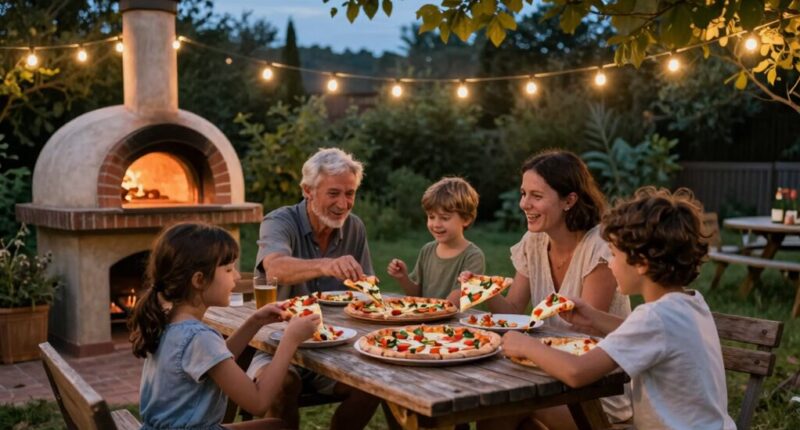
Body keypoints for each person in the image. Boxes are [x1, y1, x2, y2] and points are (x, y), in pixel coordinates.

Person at [502, 187, 736, 429]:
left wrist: (526, 345)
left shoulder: (654, 317)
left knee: (516, 408)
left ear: (641, 264)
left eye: (613, 254)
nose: (610, 264)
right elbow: (653, 337)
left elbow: (577, 372)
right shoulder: (689, 303)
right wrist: (594, 318)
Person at [474, 149, 632, 428]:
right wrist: (485, 290)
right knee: (492, 401)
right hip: (544, 373)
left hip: (597, 389)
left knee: (503, 406)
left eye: (536, 196)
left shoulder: (599, 247)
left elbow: (583, 335)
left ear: (569, 200)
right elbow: (514, 310)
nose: (524, 204)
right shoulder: (534, 241)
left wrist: (528, 349)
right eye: (523, 193)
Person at [129, 222, 320, 430]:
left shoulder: (168, 321)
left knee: (276, 426)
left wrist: (254, 322)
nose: (237, 276)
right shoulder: (199, 337)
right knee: (279, 427)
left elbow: (216, 359)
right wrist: (290, 339)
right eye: (229, 269)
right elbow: (259, 402)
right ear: (199, 280)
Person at [248, 147, 379, 429]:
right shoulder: (279, 221)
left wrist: (370, 290)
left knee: (375, 385)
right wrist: (326, 265)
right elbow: (274, 268)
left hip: (337, 346)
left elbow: (366, 290)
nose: (343, 204)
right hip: (277, 344)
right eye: (334, 193)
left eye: (350, 193)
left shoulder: (354, 227)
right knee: (282, 384)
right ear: (307, 190)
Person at [387, 177, 485, 302]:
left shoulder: (473, 257)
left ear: (466, 219)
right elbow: (416, 296)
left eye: (444, 218)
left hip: (452, 316)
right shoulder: (427, 250)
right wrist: (403, 278)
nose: (436, 224)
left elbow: (453, 304)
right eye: (431, 217)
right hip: (427, 313)